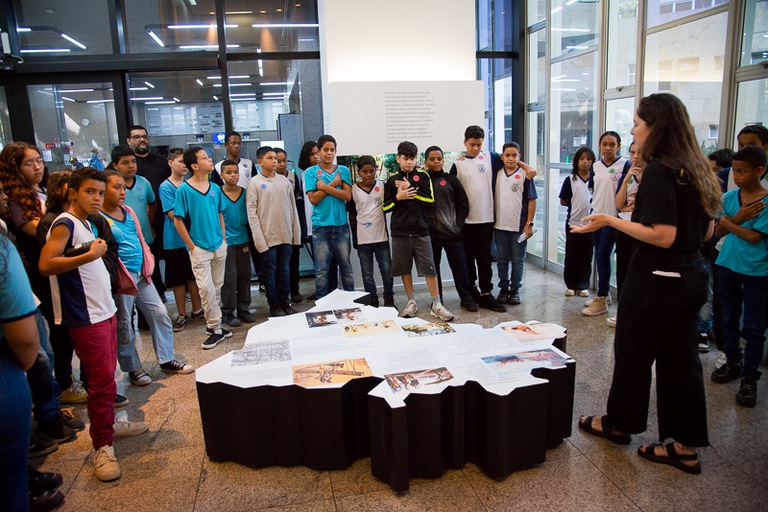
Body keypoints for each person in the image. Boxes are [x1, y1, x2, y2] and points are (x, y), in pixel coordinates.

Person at [574, 93, 722, 475]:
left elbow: (662, 235)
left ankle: (620, 423)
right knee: (681, 362)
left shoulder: (659, 170)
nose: (632, 129)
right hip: (691, 277)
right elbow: (706, 231)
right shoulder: (695, 168)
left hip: (657, 278)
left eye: (637, 123)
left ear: (655, 126)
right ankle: (685, 447)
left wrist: (609, 220)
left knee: (633, 352)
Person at [40, 167, 148, 482]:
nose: (97, 198)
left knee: (107, 379)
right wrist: (89, 255)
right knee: (101, 384)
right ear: (72, 192)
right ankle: (102, 446)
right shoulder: (64, 223)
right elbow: (47, 264)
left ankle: (110, 427)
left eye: (100, 192)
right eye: (90, 192)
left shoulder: (86, 222)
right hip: (85, 316)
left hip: (103, 309)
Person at [100, 169, 194, 386]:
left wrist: (147, 260)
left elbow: (140, 238)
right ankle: (133, 368)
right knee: (125, 322)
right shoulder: (98, 218)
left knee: (160, 313)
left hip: (142, 273)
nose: (122, 192)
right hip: (121, 278)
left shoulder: (128, 211)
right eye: (116, 187)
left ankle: (167, 359)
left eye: (123, 187)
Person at [0, 229, 60, 511]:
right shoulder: (3, 251)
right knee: (9, 489)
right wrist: (20, 368)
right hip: (5, 375)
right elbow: (25, 340)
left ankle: (24, 476)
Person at [710, 145, 768, 408]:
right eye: (734, 170)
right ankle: (732, 361)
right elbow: (717, 234)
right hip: (727, 264)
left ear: (760, 171)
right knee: (728, 317)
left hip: (757, 270)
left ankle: (750, 377)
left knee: (754, 327)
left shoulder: (765, 202)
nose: (736, 175)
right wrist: (736, 220)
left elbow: (754, 236)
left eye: (742, 171)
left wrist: (731, 221)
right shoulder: (729, 198)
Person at [383, 141, 454, 322]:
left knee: (430, 268)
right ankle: (411, 301)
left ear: (417, 159)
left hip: (421, 230)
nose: (409, 162)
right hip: (400, 232)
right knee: (404, 268)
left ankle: (436, 304)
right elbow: (386, 207)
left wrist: (410, 191)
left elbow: (430, 200)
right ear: (398, 158)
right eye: (405, 158)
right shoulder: (391, 180)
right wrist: (399, 197)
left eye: (412, 158)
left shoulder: (423, 176)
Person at [173, 147, 231, 349]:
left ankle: (214, 324)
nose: (209, 160)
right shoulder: (184, 190)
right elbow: (178, 220)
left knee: (216, 287)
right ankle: (215, 328)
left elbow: (220, 213)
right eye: (205, 158)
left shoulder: (215, 187)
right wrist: (191, 246)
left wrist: (223, 237)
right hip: (199, 248)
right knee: (206, 289)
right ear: (195, 165)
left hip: (218, 245)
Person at [246, 147, 301, 317]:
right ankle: (274, 304)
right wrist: (259, 241)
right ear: (260, 162)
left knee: (284, 270)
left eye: (276, 158)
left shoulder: (284, 182)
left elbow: (293, 210)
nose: (275, 161)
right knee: (270, 272)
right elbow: (252, 214)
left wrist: (295, 235)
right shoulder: (254, 183)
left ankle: (285, 302)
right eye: (270, 158)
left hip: (286, 235)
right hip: (267, 238)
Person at [423, 146, 476, 312]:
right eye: (432, 159)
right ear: (426, 161)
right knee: (434, 271)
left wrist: (457, 225)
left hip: (453, 234)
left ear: (443, 160)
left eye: (439, 158)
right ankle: (438, 302)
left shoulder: (451, 180)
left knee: (460, 268)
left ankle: (466, 299)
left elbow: (463, 204)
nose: (436, 162)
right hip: (430, 235)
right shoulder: (422, 182)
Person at [582, 131, 628, 317]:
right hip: (597, 215)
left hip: (614, 217)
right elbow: (594, 188)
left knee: (603, 254)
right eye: (604, 144)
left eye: (612, 144)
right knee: (599, 255)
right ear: (599, 146)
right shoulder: (596, 166)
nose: (608, 148)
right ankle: (604, 293)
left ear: (618, 146)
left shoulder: (625, 165)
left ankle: (602, 296)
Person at [303, 134, 355, 298]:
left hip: (340, 226)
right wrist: (333, 184)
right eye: (325, 149)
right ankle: (322, 304)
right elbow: (313, 198)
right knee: (322, 269)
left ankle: (350, 302)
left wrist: (324, 187)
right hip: (321, 227)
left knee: (345, 267)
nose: (329, 153)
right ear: (318, 151)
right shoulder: (311, 172)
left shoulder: (343, 170)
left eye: (332, 150)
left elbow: (347, 196)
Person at [159, 148, 203, 331]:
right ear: (170, 163)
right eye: (180, 162)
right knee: (178, 280)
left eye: (186, 162)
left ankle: (197, 310)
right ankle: (182, 314)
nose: (184, 166)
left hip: (192, 239)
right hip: (174, 241)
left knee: (193, 276)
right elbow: (172, 213)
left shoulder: (190, 185)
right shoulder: (166, 187)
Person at [493, 142, 537, 306]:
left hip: (519, 226)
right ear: (502, 156)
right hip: (499, 226)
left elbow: (532, 201)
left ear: (519, 157)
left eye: (514, 155)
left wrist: (529, 224)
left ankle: (515, 289)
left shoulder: (526, 175)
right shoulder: (496, 172)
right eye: (508, 155)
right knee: (502, 259)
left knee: (518, 260)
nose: (511, 158)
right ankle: (504, 288)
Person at [127, 125, 168, 300]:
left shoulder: (161, 162)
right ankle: (151, 295)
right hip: (138, 226)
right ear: (129, 141)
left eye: (144, 136)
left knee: (169, 259)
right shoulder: (123, 169)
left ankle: (163, 292)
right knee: (147, 261)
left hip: (164, 220)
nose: (141, 140)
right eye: (136, 137)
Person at [348, 155, 394, 308]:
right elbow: (352, 215)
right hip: (363, 240)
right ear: (359, 172)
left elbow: (390, 205)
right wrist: (355, 237)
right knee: (367, 274)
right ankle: (372, 300)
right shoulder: (353, 190)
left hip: (381, 237)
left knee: (387, 271)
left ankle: (389, 299)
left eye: (371, 171)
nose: (368, 174)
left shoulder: (382, 186)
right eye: (364, 171)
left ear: (376, 170)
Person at [609, 141, 645, 327]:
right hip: (624, 226)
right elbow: (618, 204)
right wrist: (626, 180)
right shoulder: (628, 176)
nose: (636, 156)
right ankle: (622, 311)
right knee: (622, 270)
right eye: (632, 152)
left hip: (642, 231)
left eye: (639, 152)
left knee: (639, 272)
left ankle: (637, 313)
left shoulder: (653, 178)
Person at [219, 160, 255, 326]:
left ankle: (243, 309)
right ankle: (227, 312)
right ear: (221, 175)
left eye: (235, 172)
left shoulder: (246, 193)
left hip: (243, 240)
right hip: (226, 243)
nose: (233, 175)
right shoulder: (217, 194)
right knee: (229, 278)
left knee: (244, 276)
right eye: (229, 172)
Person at [560, 147, 595, 298]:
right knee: (572, 254)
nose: (585, 162)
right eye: (582, 159)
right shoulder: (570, 180)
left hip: (591, 224)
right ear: (576, 161)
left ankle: (583, 285)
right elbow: (564, 200)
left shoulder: (595, 179)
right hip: (573, 222)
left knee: (586, 255)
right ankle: (571, 285)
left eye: (588, 159)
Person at [275, 147, 305, 303]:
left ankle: (295, 290)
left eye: (284, 160)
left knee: (294, 261)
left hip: (292, 222)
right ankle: (281, 294)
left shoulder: (293, 176)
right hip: (275, 226)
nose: (281, 164)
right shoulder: (265, 180)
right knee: (279, 263)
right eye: (278, 161)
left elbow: (296, 198)